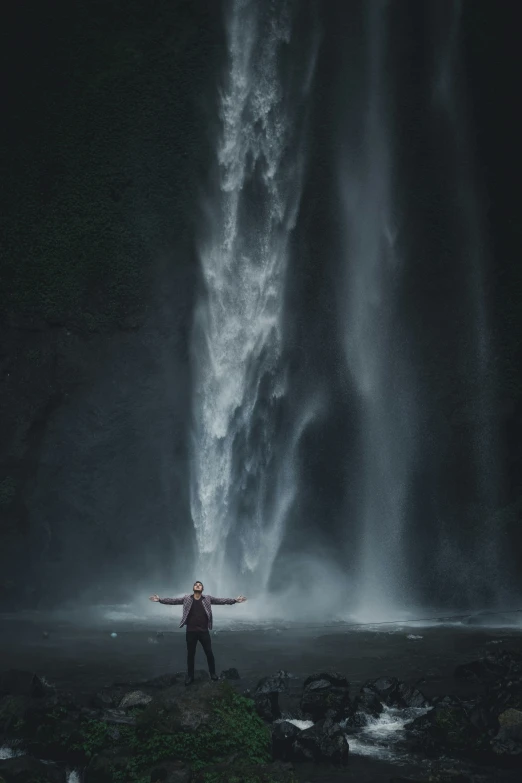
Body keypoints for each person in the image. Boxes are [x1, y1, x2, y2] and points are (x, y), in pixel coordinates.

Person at [149, 581, 247, 685]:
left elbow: (221, 600)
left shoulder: (207, 598)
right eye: (196, 585)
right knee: (190, 654)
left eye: (200, 585)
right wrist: (160, 600)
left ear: (202, 589)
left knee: (209, 653)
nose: (198, 586)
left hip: (204, 631)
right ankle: (190, 677)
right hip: (191, 631)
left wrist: (235, 600)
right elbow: (173, 601)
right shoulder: (187, 598)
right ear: (193, 588)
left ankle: (213, 674)